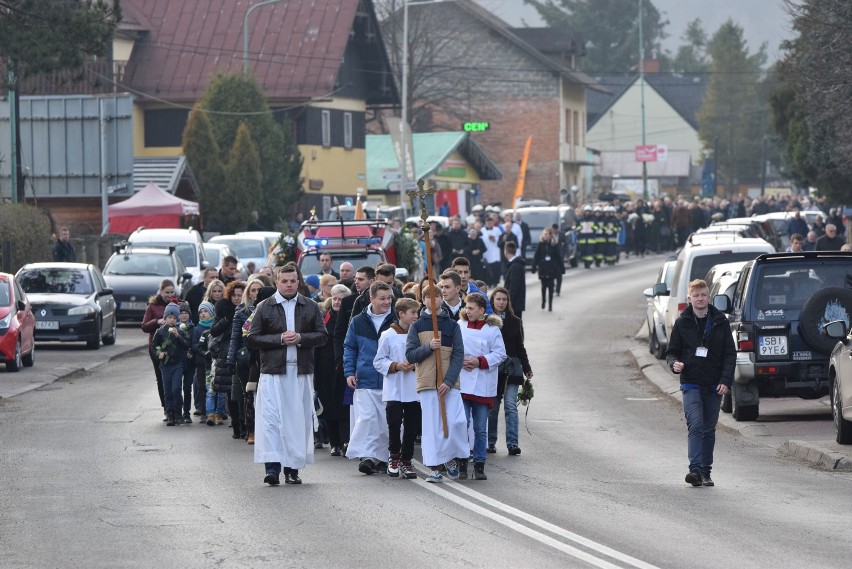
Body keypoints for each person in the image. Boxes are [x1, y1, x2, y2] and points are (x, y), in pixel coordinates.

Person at [246, 265, 328, 486]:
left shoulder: (310, 306)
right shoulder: (265, 306)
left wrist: (301, 337)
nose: (289, 285)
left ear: (298, 282)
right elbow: (252, 339)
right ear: (277, 283)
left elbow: (322, 336)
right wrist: (279, 339)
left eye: (293, 281)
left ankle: (292, 470)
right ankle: (272, 468)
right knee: (271, 421)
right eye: (285, 281)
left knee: (295, 423)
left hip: (299, 373)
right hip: (273, 372)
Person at [665, 279, 735, 487]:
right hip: (691, 382)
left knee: (708, 429)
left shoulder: (720, 321)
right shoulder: (682, 322)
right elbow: (672, 352)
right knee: (695, 425)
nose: (700, 298)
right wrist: (674, 363)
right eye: (696, 295)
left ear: (708, 296)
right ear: (690, 298)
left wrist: (725, 380)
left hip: (714, 384)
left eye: (703, 294)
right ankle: (694, 470)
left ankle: (706, 472)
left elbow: (730, 354)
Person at [405, 285, 468, 483]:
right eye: (429, 297)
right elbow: (410, 354)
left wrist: (449, 381)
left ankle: (450, 457)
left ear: (441, 298)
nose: (434, 300)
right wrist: (429, 347)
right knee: (432, 427)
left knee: (456, 422)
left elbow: (458, 355)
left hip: (449, 383)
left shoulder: (452, 325)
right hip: (427, 383)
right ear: (424, 300)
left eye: (437, 296)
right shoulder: (417, 326)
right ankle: (434, 467)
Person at [344, 281, 396, 475]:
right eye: (382, 298)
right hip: (364, 378)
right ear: (371, 298)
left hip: (389, 378)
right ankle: (367, 456)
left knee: (385, 422)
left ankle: (383, 458)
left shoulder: (396, 319)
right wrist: (349, 371)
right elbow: (350, 347)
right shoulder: (358, 321)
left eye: (389, 298)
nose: (386, 302)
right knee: (366, 418)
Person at [457, 292, 506, 480]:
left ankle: (479, 463)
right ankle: (462, 460)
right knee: (462, 423)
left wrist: (479, 361)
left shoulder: (492, 330)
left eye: (471, 308)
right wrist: (461, 361)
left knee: (480, 427)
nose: (467, 311)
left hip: (483, 384)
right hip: (462, 381)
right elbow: (453, 349)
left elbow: (500, 354)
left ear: (481, 310)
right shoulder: (459, 326)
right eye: (466, 307)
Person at [373, 297, 421, 479]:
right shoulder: (388, 335)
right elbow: (378, 361)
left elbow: (425, 357)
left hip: (413, 388)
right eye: (413, 313)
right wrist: (396, 366)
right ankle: (394, 457)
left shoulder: (418, 335)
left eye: (417, 312)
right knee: (394, 424)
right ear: (401, 314)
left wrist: (416, 365)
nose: (416, 316)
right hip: (394, 388)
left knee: (411, 426)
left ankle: (407, 460)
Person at [488, 287, 532, 455]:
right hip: (493, 370)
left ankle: (512, 443)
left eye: (504, 300)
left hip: (512, 370)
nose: (501, 302)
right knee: (492, 408)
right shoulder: (487, 321)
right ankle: (490, 441)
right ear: (493, 301)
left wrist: (527, 368)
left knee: (511, 407)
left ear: (508, 302)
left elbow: (520, 347)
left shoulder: (515, 321)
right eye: (498, 299)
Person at [226, 275, 266, 441]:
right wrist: (230, 358)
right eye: (253, 290)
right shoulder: (242, 311)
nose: (256, 293)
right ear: (248, 293)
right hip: (246, 356)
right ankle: (250, 429)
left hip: (265, 355)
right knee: (248, 394)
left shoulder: (269, 309)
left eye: (259, 290)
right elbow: (235, 336)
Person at [315, 284, 351, 456]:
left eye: (341, 299)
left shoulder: (350, 318)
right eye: (335, 298)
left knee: (344, 407)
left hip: (344, 368)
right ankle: (334, 443)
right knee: (328, 407)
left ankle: (346, 441)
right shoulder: (324, 318)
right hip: (326, 369)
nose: (337, 302)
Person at [208, 280, 246, 429]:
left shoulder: (247, 311)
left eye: (240, 295)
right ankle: (235, 420)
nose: (237, 298)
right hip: (226, 352)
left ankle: (243, 421)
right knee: (230, 390)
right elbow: (214, 330)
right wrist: (226, 320)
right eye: (234, 295)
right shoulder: (224, 310)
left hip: (243, 351)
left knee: (242, 389)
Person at [142, 279, 178, 422]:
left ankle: (177, 408)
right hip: (157, 347)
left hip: (175, 347)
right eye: (166, 292)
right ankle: (167, 408)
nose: (169, 295)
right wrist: (157, 321)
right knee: (162, 378)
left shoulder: (178, 304)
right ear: (161, 292)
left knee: (176, 378)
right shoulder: (152, 306)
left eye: (172, 292)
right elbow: (144, 327)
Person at [152, 301, 190, 426]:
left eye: (174, 318)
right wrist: (159, 354)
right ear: (165, 318)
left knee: (176, 389)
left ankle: (178, 412)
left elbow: (186, 345)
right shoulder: (160, 332)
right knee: (167, 390)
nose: (172, 320)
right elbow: (153, 347)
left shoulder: (180, 331)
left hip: (177, 364)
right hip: (165, 366)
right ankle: (170, 413)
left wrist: (178, 336)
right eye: (169, 317)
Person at [191, 301, 216, 418]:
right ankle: (203, 410)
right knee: (202, 386)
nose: (203, 314)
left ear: (211, 313)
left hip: (214, 362)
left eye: (205, 311)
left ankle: (216, 410)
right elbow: (195, 345)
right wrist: (204, 353)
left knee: (214, 386)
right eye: (201, 312)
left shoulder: (215, 327)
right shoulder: (197, 329)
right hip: (201, 362)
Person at [531, 227, 564, 311]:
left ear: (550, 235)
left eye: (546, 234)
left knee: (551, 287)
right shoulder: (540, 244)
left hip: (552, 269)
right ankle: (543, 301)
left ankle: (550, 305)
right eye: (543, 234)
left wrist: (562, 268)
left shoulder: (554, 244)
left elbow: (559, 257)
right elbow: (536, 256)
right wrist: (534, 267)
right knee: (543, 287)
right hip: (543, 268)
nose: (544, 236)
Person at [177, 302, 196, 424]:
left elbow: (192, 344)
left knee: (187, 388)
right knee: (177, 388)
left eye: (186, 313)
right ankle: (177, 412)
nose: (183, 316)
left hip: (190, 363)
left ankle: (187, 413)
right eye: (181, 313)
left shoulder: (193, 328)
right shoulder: (174, 328)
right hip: (178, 362)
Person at [502, 241, 526, 318]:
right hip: (515, 303)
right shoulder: (514, 264)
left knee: (517, 327)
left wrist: (509, 303)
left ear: (506, 251)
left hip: (515, 304)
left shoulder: (515, 266)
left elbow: (513, 287)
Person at [480, 215, 502, 287]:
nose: (489, 224)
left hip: (495, 252)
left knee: (495, 268)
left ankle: (495, 282)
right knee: (487, 269)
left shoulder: (497, 230)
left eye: (491, 223)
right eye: (488, 223)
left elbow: (501, 240)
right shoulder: (482, 230)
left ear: (493, 223)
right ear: (486, 223)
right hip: (486, 252)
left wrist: (494, 239)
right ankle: (489, 283)